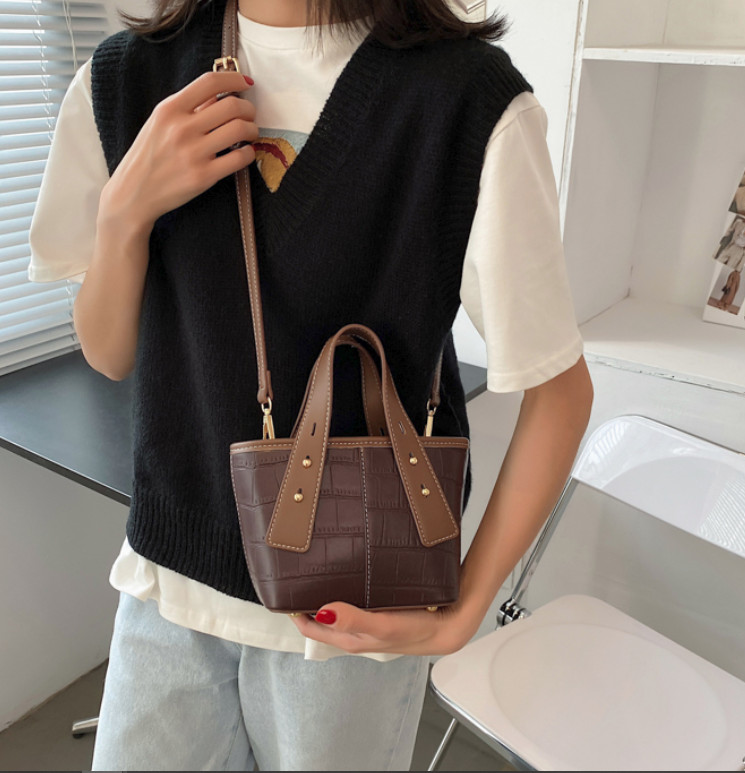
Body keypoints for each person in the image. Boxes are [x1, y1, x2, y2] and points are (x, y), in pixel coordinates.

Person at [27, 0, 593, 769]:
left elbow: (559, 393)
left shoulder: (466, 100)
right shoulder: (125, 79)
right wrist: (124, 214)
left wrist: (463, 609)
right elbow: (107, 352)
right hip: (169, 587)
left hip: (354, 611)